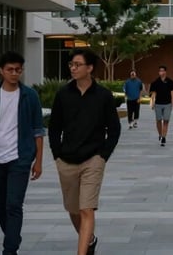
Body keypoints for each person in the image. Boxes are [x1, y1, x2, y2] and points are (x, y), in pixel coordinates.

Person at [48, 48, 121, 255]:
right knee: (73, 210)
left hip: (93, 160)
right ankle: (89, 240)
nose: (73, 68)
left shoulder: (104, 96)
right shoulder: (63, 94)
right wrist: (57, 155)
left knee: (86, 209)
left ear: (89, 68)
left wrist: (103, 156)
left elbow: (114, 129)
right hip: (67, 160)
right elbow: (54, 127)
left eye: (77, 65)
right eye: (71, 64)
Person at [0, 50, 44, 255]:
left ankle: (9, 249)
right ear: (1, 71)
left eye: (18, 70)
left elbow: (38, 131)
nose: (14, 73)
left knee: (14, 204)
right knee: (0, 206)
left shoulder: (30, 96)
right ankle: (13, 236)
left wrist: (38, 161)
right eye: (10, 70)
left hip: (20, 158)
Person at [149, 65, 173, 146]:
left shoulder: (170, 82)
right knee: (158, 120)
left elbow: (172, 92)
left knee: (166, 120)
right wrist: (152, 102)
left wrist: (172, 101)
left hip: (167, 104)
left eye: (162, 70)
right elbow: (153, 93)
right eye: (160, 70)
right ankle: (160, 134)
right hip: (158, 104)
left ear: (165, 72)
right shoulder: (155, 82)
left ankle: (164, 137)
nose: (161, 72)